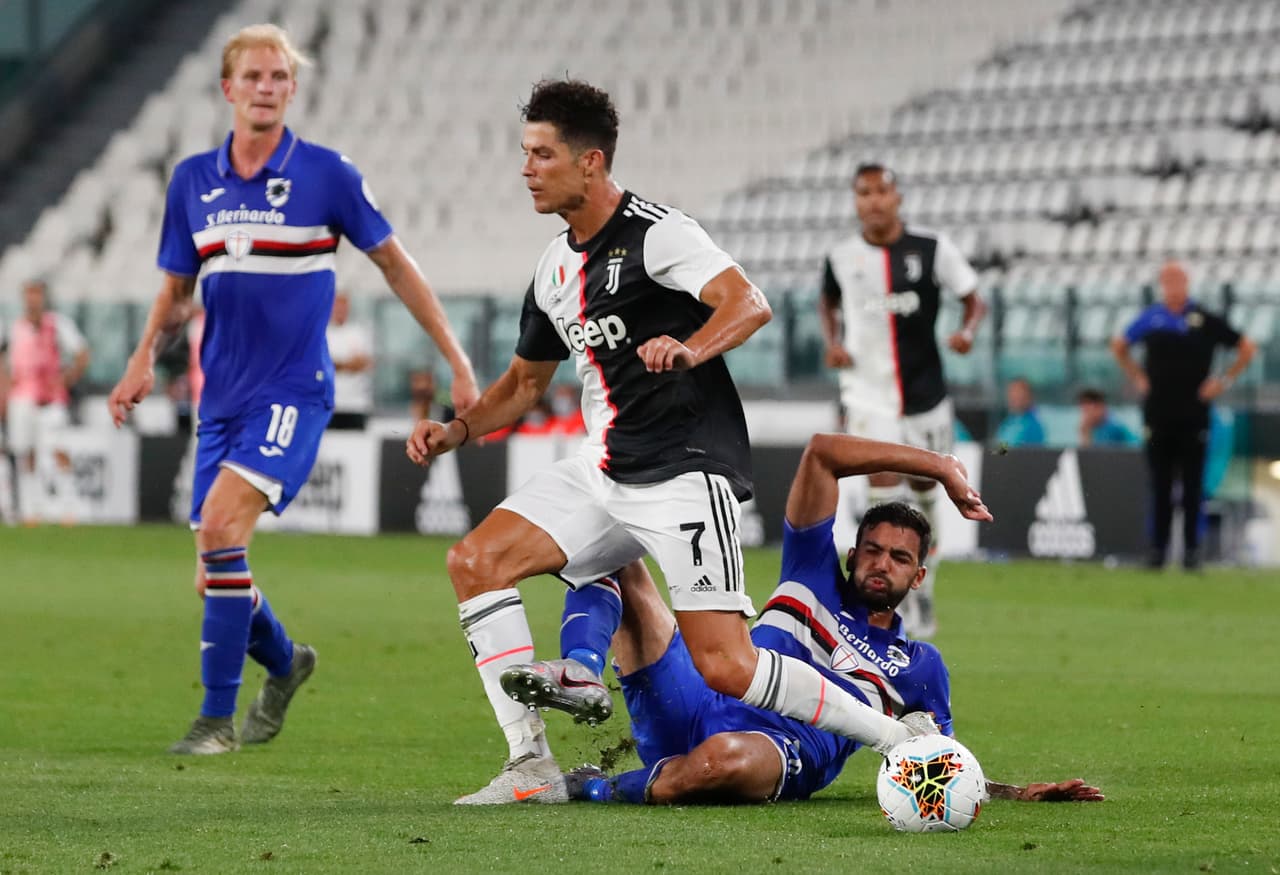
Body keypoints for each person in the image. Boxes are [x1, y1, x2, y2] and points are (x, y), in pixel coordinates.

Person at [407, 80, 974, 805]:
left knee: (729, 665)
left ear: (591, 161)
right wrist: (457, 430)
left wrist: (691, 347)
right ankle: (532, 761)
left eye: (541, 154)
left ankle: (893, 738)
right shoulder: (553, 268)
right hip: (602, 467)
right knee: (475, 560)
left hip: (682, 472)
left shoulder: (658, 233)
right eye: (525, 153)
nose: (527, 168)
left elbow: (748, 301)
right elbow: (523, 383)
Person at [107, 23, 479, 755]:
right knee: (215, 575)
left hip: (293, 393)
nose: (268, 88)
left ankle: (216, 722)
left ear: (292, 88)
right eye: (254, 77)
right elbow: (176, 288)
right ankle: (286, 662)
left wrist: (459, 364)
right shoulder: (192, 182)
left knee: (218, 534)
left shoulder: (326, 175)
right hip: (221, 400)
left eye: (280, 76)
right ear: (228, 89)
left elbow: (399, 268)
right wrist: (143, 356)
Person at [508, 434, 1097, 806]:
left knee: (726, 760)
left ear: (918, 576)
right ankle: (581, 672)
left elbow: (932, 758)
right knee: (614, 550)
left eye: (899, 558)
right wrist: (936, 466)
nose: (880, 564)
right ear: (851, 551)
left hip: (782, 748)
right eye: (871, 549)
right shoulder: (812, 571)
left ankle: (590, 786)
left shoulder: (921, 668)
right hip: (696, 695)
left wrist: (1016, 793)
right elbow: (821, 453)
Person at [818, 163, 987, 640]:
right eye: (863, 193)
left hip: (924, 395)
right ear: (856, 201)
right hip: (868, 395)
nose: (872, 201)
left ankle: (923, 583)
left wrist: (967, 331)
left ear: (897, 198)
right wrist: (832, 340)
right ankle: (882, 603)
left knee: (927, 492)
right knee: (885, 491)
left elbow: (974, 297)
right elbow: (826, 301)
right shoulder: (840, 256)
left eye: (880, 192)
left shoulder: (931, 249)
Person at [1111, 261, 1254, 571]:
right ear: (1163, 284)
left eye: (1179, 280)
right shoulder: (1152, 318)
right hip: (1158, 414)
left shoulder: (1204, 319)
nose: (1174, 285)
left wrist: (1222, 381)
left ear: (1187, 282)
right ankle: (1157, 551)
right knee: (1160, 485)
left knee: (1192, 486)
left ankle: (1192, 551)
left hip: (1194, 415)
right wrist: (1137, 377)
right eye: (1168, 280)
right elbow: (1119, 345)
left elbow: (1246, 348)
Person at [0, 279, 90, 525]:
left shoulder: (58, 325)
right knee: (25, 453)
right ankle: (31, 510)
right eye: (29, 294)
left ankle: (69, 508)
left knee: (58, 450)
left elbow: (82, 354)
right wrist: (5, 394)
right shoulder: (13, 327)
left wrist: (66, 379)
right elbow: (4, 364)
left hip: (51, 400)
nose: (33, 300)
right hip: (22, 398)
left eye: (37, 294)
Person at [325, 290, 375, 429]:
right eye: (337, 306)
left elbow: (365, 363)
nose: (340, 310)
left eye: (343, 306)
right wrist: (349, 364)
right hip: (330, 405)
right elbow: (321, 365)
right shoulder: (323, 333)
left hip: (356, 405)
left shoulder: (359, 332)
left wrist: (336, 364)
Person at [993, 377, 1046, 448]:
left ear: (1029, 397)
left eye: (1019, 394)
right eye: (1012, 393)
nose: (1014, 398)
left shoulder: (1032, 425)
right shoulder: (1009, 422)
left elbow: (1005, 451)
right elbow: (1001, 449)